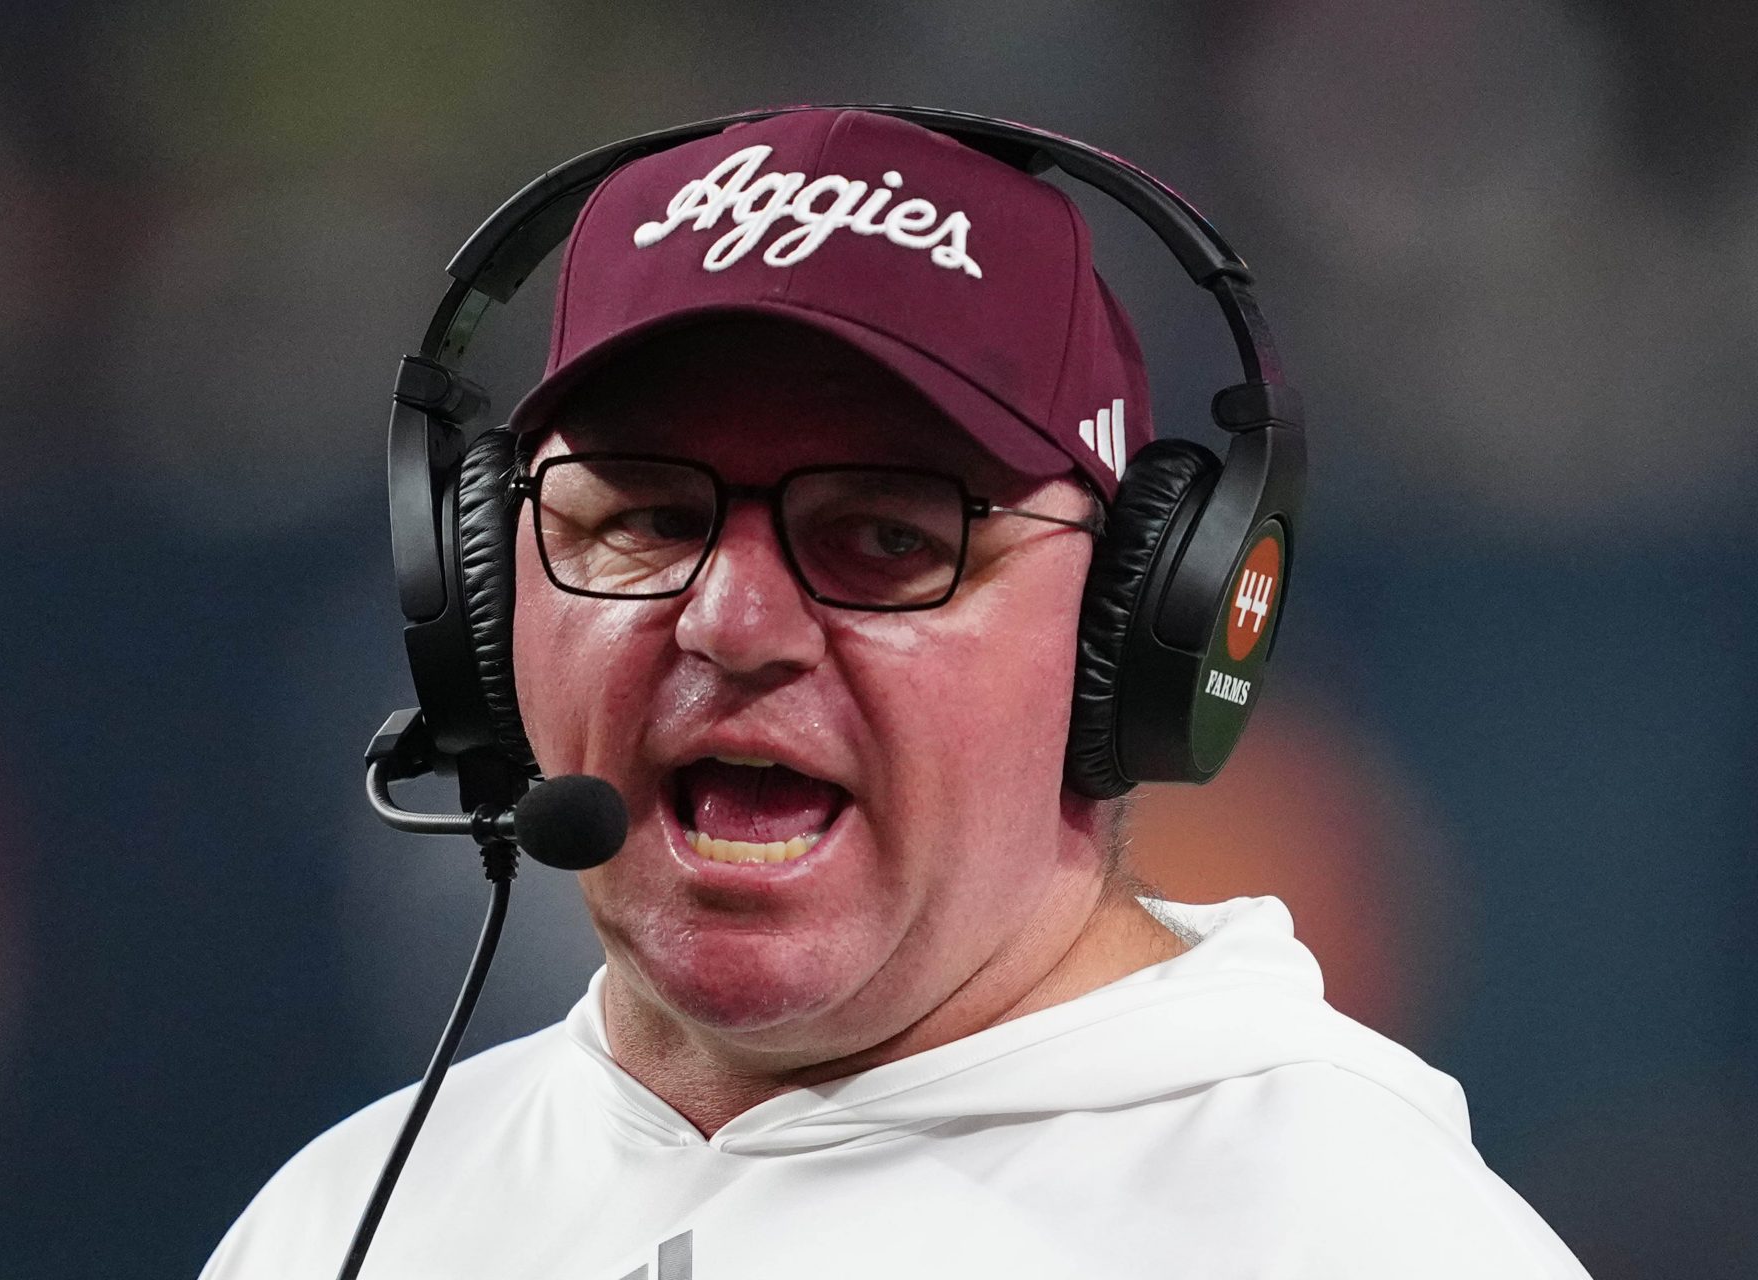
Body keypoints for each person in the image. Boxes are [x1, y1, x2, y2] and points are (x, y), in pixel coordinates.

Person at [202, 109, 1592, 1278]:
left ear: (1138, 632)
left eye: (887, 538)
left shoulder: (1352, 1239)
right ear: (485, 597)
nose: (735, 622)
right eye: (645, 518)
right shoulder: (349, 1224)